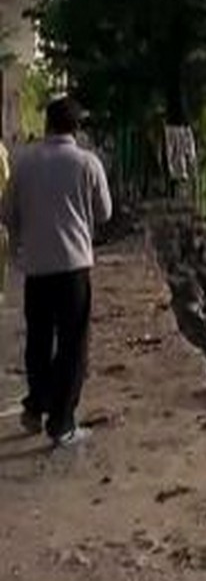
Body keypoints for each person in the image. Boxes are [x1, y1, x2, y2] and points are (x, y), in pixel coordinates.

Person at [2, 97, 113, 446]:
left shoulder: (23, 162)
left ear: (48, 124)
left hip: (36, 267)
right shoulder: (86, 163)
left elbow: (6, 213)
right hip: (73, 267)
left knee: (38, 338)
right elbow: (105, 212)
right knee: (72, 344)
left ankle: (36, 406)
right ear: (76, 128)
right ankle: (62, 420)